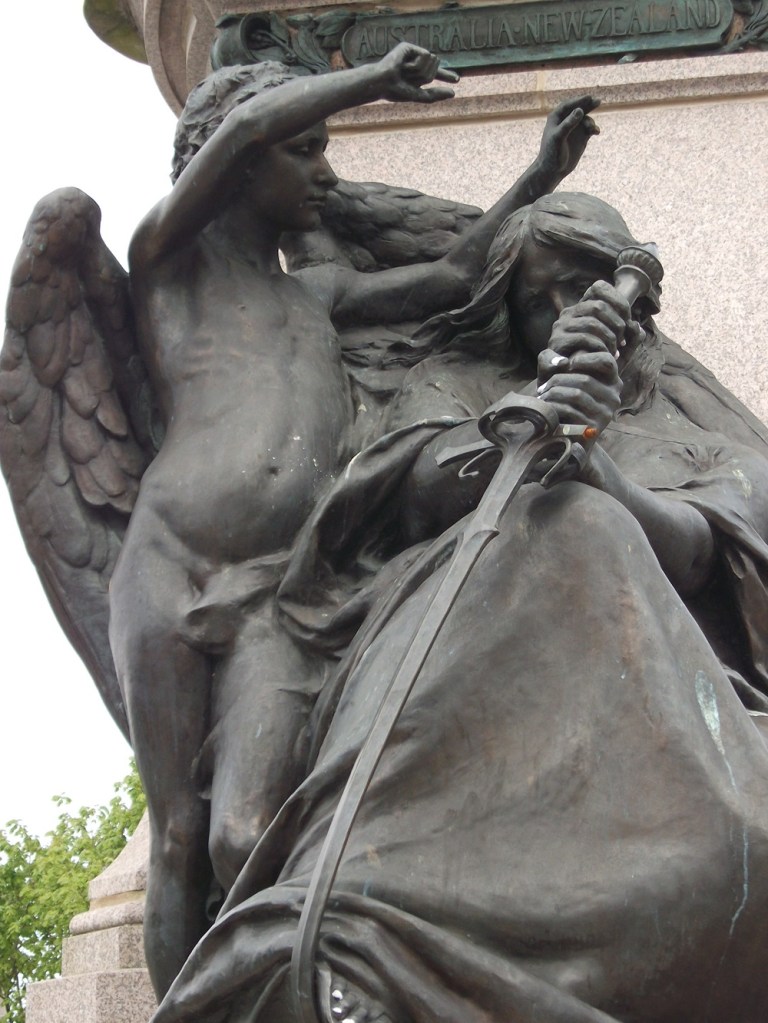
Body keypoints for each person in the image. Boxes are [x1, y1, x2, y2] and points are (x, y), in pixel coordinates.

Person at [149, 194, 768, 1023]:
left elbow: (700, 544)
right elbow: (405, 477)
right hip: (464, 661)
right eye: (534, 300)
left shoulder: (701, 437)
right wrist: (524, 422)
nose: (558, 315)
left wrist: (593, 466)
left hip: (647, 691)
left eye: (579, 288)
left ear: (632, 303)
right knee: (560, 525)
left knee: (587, 524)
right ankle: (364, 915)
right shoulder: (462, 381)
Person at [111, 44, 599, 998]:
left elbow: (457, 277)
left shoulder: (317, 297)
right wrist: (373, 76)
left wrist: (536, 178)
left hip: (275, 594)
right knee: (175, 837)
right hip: (166, 570)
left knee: (248, 835)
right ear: (242, 164)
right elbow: (246, 120)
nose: (326, 173)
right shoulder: (164, 261)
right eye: (307, 150)